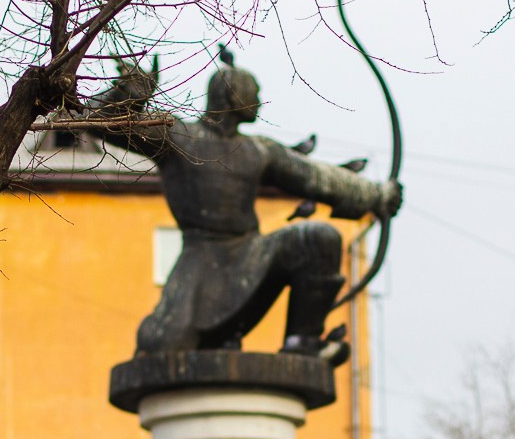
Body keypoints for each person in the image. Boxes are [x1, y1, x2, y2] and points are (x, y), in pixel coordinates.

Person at [82, 53, 401, 364]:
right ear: (232, 94)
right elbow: (99, 121)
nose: (258, 101)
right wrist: (127, 94)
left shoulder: (258, 150)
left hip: (251, 255)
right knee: (160, 347)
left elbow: (316, 177)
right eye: (254, 92)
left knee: (319, 239)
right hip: (201, 260)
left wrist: (375, 194)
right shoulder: (178, 135)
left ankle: (303, 344)